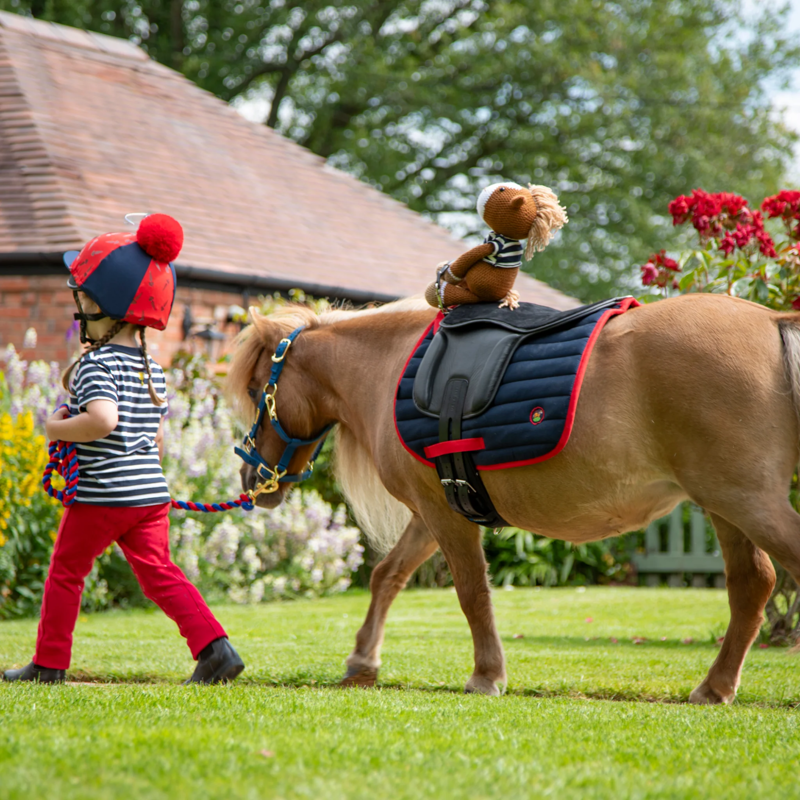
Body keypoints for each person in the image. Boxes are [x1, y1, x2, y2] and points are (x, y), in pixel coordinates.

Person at [2, 214, 245, 685]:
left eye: (83, 298)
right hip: (148, 495)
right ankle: (216, 649)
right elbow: (154, 437)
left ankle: (49, 664)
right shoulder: (152, 369)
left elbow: (102, 420)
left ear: (101, 305)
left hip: (103, 496)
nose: (80, 307)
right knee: (160, 573)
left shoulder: (96, 364)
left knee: (66, 573)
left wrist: (56, 427)